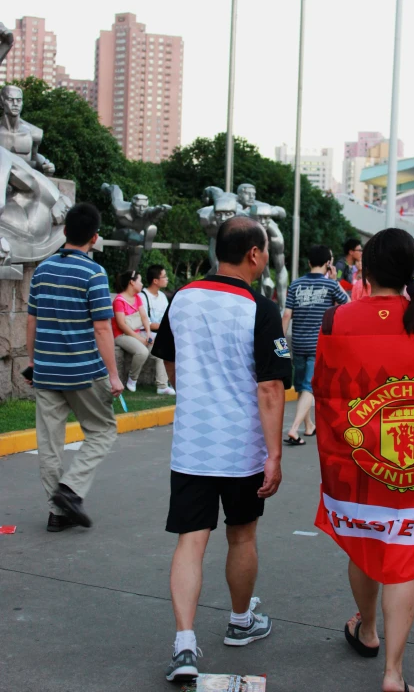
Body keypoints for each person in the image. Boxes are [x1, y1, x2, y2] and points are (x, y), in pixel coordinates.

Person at [313, 228, 414, 692]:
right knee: (404, 558)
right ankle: (394, 674)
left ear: (366, 270)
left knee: (365, 539)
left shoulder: (338, 320)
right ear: (413, 270)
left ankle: (368, 630)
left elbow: (326, 391)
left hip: (358, 464)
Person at [151, 216, 292, 681]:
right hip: (240, 446)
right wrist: (274, 454)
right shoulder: (260, 305)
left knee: (191, 540)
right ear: (253, 253)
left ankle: (185, 644)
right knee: (242, 535)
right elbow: (271, 387)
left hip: (193, 443)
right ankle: (239, 622)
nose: (266, 257)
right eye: (265, 250)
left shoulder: (183, 297)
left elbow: (170, 363)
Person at [26, 203, 124, 531]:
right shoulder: (94, 274)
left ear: (65, 231)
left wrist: (32, 362)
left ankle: (58, 511)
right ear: (94, 238)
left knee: (49, 443)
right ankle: (70, 490)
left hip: (47, 371)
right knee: (102, 431)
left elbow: (32, 322)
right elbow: (101, 329)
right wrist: (113, 374)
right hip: (84, 372)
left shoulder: (42, 270)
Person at [282, 245, 348, 445]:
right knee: (309, 386)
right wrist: (335, 279)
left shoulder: (295, 284)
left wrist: (279, 347)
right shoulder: (331, 286)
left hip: (298, 343)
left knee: (303, 384)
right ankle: (294, 429)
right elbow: (348, 303)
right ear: (329, 263)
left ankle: (309, 426)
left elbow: (286, 316)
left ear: (309, 262)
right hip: (318, 344)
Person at [112, 271, 175, 396]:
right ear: (132, 282)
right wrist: (140, 339)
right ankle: (132, 379)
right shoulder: (119, 300)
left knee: (160, 351)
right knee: (142, 351)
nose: (141, 284)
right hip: (121, 336)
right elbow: (122, 325)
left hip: (136, 334)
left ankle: (162, 386)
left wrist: (148, 334)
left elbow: (144, 318)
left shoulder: (137, 298)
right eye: (139, 281)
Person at [139, 264, 169, 340]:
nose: (167, 279)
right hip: (146, 332)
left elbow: (167, 316)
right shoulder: (142, 296)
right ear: (155, 281)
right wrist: (166, 326)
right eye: (164, 276)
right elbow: (146, 323)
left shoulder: (162, 296)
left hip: (161, 331)